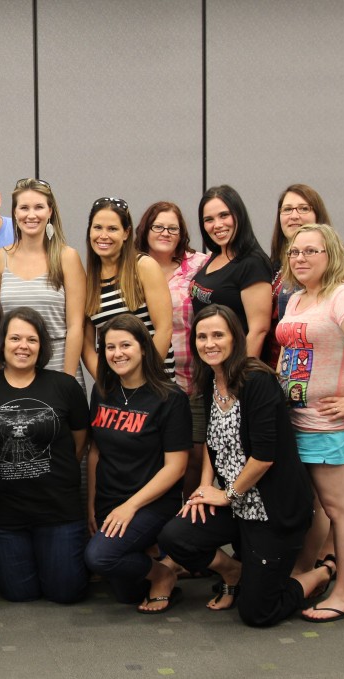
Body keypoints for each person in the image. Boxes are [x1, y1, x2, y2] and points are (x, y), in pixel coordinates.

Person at [156, 306, 331, 627]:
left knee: (258, 613)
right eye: (202, 336)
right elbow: (211, 442)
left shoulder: (256, 381)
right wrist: (204, 487)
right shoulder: (210, 380)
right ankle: (234, 572)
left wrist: (226, 495)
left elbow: (264, 457)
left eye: (218, 335)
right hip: (236, 505)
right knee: (175, 536)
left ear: (235, 338)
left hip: (272, 509)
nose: (209, 343)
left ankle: (321, 573)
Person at [276, 224, 344, 623]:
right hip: (296, 419)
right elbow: (291, 350)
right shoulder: (297, 297)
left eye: (310, 251)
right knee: (315, 504)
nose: (300, 258)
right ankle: (306, 572)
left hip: (328, 423)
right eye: (294, 252)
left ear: (331, 254)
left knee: (338, 506)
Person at [0, 307, 90, 603]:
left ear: (41, 346)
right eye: (15, 338)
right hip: (5, 515)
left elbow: (79, 442)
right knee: (18, 594)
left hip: (58, 512)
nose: (23, 346)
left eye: (32, 340)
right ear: (2, 343)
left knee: (65, 594)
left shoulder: (64, 386)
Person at [83, 314, 191, 612]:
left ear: (143, 348)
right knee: (128, 593)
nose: (117, 353)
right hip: (109, 499)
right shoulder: (102, 391)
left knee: (99, 557)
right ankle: (156, 556)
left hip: (151, 503)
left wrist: (130, 507)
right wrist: (91, 504)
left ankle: (163, 573)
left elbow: (176, 467)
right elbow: (96, 451)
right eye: (110, 347)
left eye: (125, 345)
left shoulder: (170, 398)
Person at [136, 201, 209, 494]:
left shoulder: (200, 266)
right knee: (154, 456)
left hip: (193, 379)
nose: (165, 233)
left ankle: (187, 516)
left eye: (173, 229)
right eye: (158, 227)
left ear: (182, 234)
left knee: (194, 457)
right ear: (145, 230)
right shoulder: (131, 266)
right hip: (148, 380)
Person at [0, 178, 86, 376]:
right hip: (14, 373)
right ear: (15, 212)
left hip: (59, 367)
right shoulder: (0, 259)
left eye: (39, 207)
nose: (31, 215)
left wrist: (67, 381)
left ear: (50, 211)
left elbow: (76, 326)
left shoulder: (67, 257)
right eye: (24, 208)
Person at [264, 184, 344, 367]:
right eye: (287, 209)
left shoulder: (343, 264)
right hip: (283, 374)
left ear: (318, 216)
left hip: (321, 374)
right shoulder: (277, 266)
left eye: (303, 208)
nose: (294, 215)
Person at [82, 197, 174, 379]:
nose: (103, 235)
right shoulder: (89, 282)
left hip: (154, 381)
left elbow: (164, 329)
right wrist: (105, 381)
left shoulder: (144, 267)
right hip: (115, 388)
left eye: (112, 229)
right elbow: (87, 344)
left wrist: (141, 381)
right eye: (97, 227)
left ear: (126, 233)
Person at [190, 185, 273, 358]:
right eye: (209, 219)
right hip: (212, 363)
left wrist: (241, 372)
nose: (217, 225)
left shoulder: (252, 263)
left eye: (224, 215)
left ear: (238, 215)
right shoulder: (216, 255)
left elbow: (259, 330)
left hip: (237, 365)